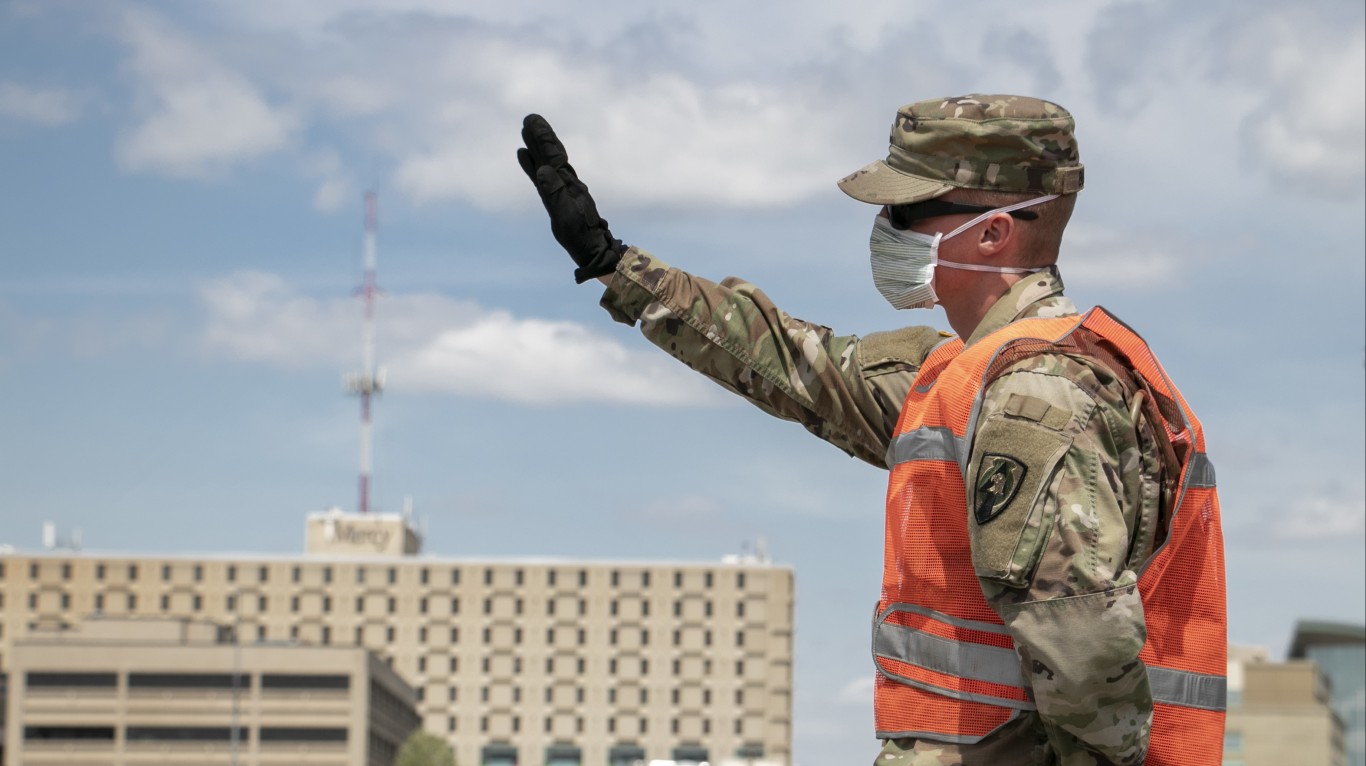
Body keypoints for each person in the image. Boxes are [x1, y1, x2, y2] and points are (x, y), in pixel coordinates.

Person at [517, 94, 1227, 766]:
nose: (887, 227)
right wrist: (616, 264)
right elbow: (793, 362)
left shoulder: (1035, 393)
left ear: (991, 232)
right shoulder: (967, 375)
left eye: (910, 210)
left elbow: (1081, 648)